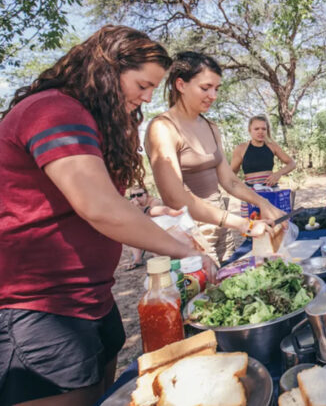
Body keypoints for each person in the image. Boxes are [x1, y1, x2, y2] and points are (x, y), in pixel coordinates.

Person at [0, 25, 216, 406]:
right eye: (142, 85)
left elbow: (78, 203)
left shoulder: (86, 119)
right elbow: (97, 206)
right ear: (106, 69)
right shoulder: (53, 110)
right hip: (42, 313)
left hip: (93, 301)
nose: (147, 98)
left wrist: (147, 211)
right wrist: (185, 250)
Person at [145, 52, 284, 265]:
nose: (213, 95)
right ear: (181, 85)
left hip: (223, 221)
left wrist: (262, 202)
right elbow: (174, 197)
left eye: (216, 89)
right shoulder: (163, 128)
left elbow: (229, 181)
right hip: (191, 229)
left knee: (231, 277)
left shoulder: (211, 128)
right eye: (205, 88)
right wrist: (242, 224)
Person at [230, 115, 296, 218]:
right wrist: (239, 187)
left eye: (263, 129)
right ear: (249, 130)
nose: (260, 132)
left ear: (267, 130)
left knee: (276, 224)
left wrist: (278, 174)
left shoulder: (272, 146)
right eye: (256, 129)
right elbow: (231, 173)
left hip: (271, 192)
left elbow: (292, 163)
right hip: (250, 194)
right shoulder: (241, 148)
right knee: (252, 226)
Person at [125, 186, 164, 269]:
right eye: (133, 196)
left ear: (146, 195)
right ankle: (137, 259)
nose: (136, 198)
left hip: (162, 229)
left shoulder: (155, 202)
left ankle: (158, 256)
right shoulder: (132, 204)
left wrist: (137, 208)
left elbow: (150, 216)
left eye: (139, 195)